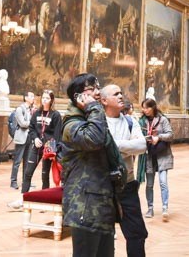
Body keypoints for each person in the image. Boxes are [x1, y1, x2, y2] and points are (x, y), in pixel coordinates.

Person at [61, 72, 124, 257]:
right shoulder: (71, 125)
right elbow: (94, 139)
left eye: (98, 87)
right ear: (78, 97)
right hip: (85, 207)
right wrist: (94, 108)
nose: (98, 92)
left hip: (101, 204)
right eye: (92, 89)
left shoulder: (92, 119)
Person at [103, 86, 148, 257]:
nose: (121, 96)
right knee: (104, 235)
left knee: (137, 233)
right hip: (103, 188)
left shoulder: (130, 121)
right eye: (116, 94)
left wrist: (115, 145)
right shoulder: (98, 123)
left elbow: (142, 145)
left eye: (121, 93)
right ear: (104, 100)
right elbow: (99, 149)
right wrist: (128, 146)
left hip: (127, 186)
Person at [138, 97, 173, 221]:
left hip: (162, 154)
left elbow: (170, 134)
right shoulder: (142, 121)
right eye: (143, 107)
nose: (144, 110)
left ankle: (165, 208)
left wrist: (159, 137)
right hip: (149, 155)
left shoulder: (162, 119)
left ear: (153, 107)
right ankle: (150, 208)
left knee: (163, 182)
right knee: (149, 184)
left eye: (147, 107)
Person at [21, 90, 63, 192]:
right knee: (27, 173)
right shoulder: (37, 113)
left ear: (51, 100)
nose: (44, 100)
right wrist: (35, 138)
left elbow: (57, 134)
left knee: (45, 175)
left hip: (49, 148)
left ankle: (45, 199)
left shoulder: (55, 115)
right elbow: (31, 128)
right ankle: (24, 198)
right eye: (43, 98)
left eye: (47, 98)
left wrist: (53, 149)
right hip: (36, 146)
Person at [10, 91, 35, 189]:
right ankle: (13, 181)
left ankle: (26, 181)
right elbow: (23, 124)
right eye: (31, 96)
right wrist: (32, 121)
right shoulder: (20, 109)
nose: (33, 98)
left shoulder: (31, 109)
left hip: (29, 138)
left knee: (27, 161)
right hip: (21, 138)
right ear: (26, 98)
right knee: (17, 161)